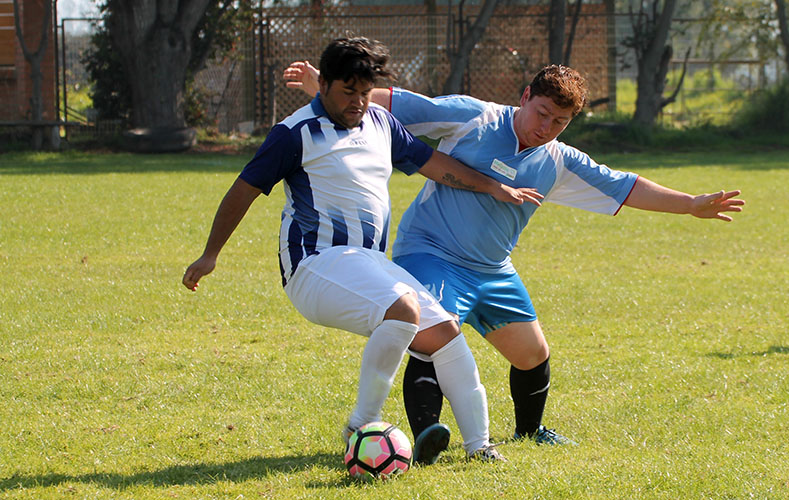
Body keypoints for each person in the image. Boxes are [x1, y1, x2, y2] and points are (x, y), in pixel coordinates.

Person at [284, 60, 744, 459]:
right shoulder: (474, 118)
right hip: (432, 253)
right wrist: (323, 84)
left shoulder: (558, 159)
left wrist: (689, 203)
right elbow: (403, 103)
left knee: (532, 354)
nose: (546, 127)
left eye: (560, 121)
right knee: (431, 339)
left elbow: (623, 184)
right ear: (525, 97)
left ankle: (530, 432)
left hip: (492, 269)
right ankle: (426, 436)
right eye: (542, 112)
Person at [183, 37, 544, 464]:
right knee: (405, 310)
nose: (357, 102)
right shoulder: (295, 133)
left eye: (364, 92)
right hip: (314, 265)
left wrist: (492, 186)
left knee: (445, 332)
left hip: (368, 261)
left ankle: (480, 446)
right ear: (323, 86)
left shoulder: (381, 123)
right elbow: (242, 191)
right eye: (347, 92)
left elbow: (433, 163)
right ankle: (361, 426)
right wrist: (210, 255)